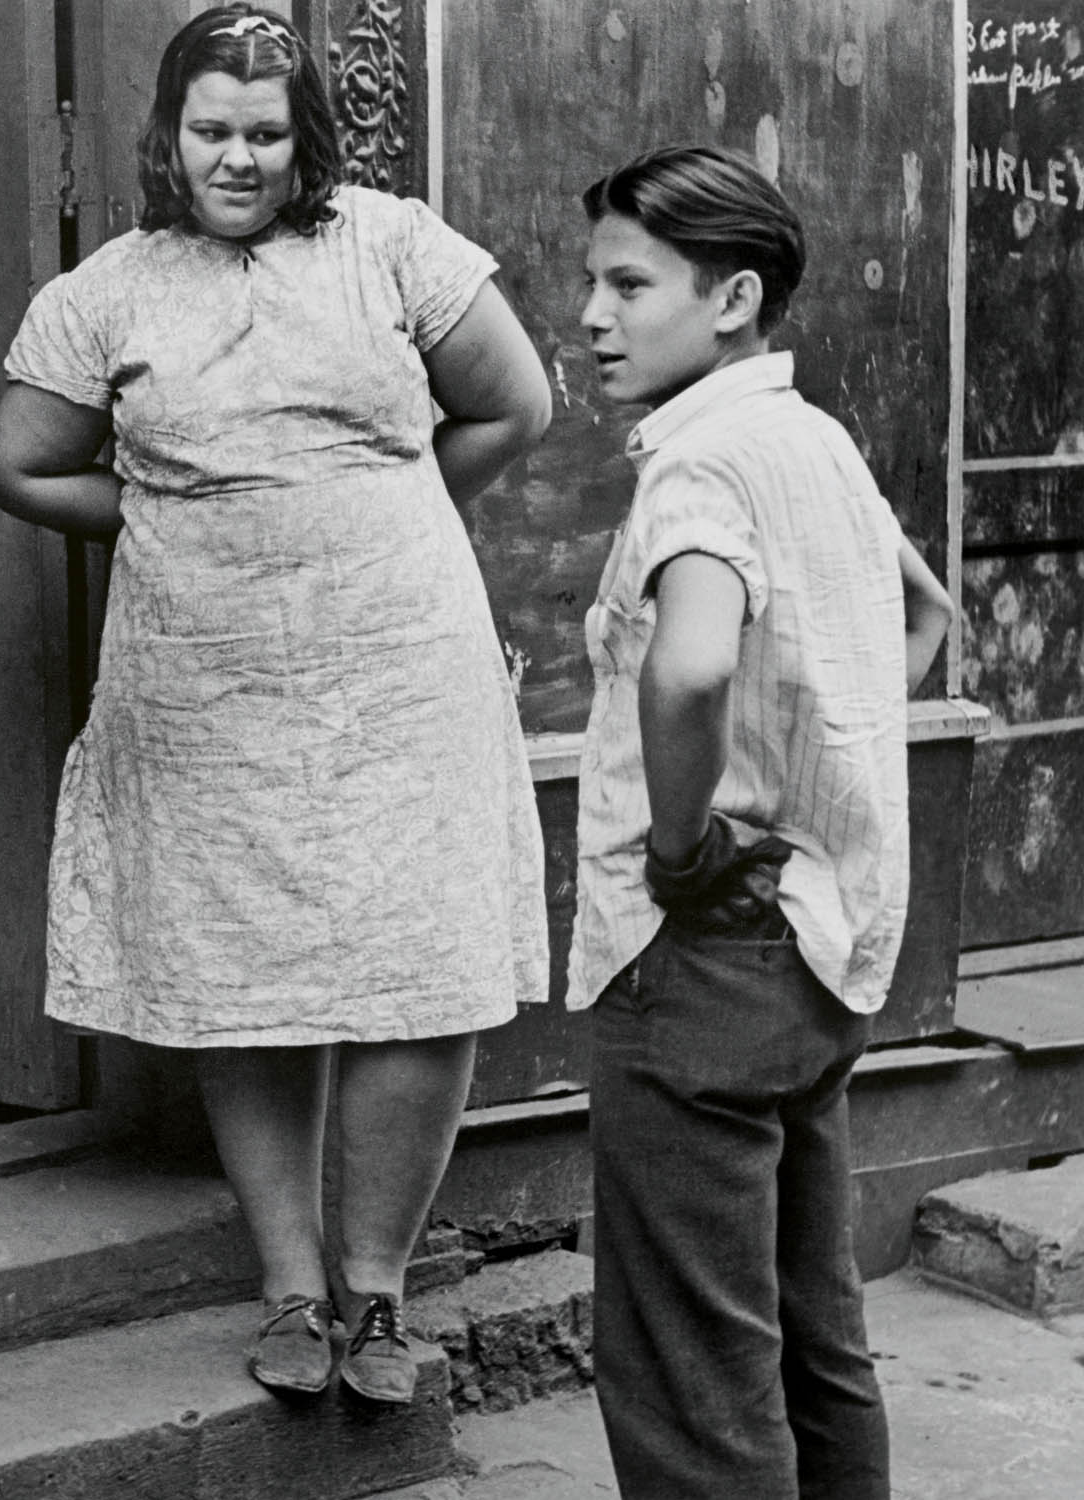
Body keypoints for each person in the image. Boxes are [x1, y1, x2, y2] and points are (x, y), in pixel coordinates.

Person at [0, 4, 551, 1407]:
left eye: (265, 132)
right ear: (170, 136)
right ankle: (293, 1286)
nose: (238, 159)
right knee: (247, 975)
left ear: (307, 139)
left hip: (398, 654)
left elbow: (513, 407)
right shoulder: (109, 288)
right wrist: (171, 511)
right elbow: (19, 464)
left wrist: (379, 513)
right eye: (212, 131)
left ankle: (377, 1294)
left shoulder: (392, 243)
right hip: (204, 669)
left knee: (416, 961)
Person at [565, 144, 954, 1499]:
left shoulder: (700, 468)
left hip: (704, 955)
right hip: (818, 945)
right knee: (810, 1334)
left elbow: (687, 666)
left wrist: (682, 845)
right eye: (591, 284)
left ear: (731, 299)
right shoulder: (814, 440)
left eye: (628, 285)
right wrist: (814, 767)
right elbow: (923, 616)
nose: (593, 317)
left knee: (690, 1374)